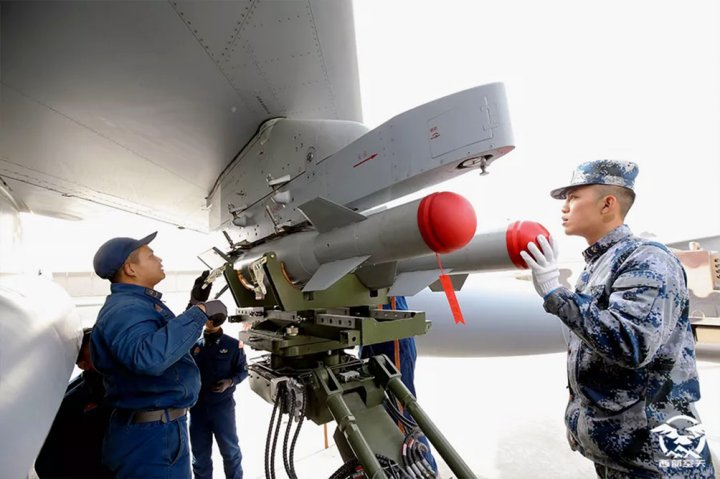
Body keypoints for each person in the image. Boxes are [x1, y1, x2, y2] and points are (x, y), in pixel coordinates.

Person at [520, 159, 715, 478]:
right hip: (622, 455)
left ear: (607, 204)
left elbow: (631, 344)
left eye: (573, 197)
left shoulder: (647, 258)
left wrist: (557, 294)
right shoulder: (601, 264)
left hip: (659, 456)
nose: (564, 207)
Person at [90, 232, 227, 479]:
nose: (159, 258)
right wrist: (200, 313)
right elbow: (149, 358)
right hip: (152, 438)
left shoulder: (136, 305)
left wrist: (196, 303)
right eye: (150, 255)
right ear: (131, 269)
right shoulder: (126, 309)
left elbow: (167, 347)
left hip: (156, 429)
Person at [359, 295, 437, 473]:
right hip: (370, 328)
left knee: (400, 417)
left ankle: (423, 472)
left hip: (390, 333)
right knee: (378, 410)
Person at [35, 328, 112, 478]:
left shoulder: (99, 385)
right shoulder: (82, 396)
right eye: (94, 350)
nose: (104, 350)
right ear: (83, 365)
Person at [189, 300, 248, 479]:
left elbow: (243, 371)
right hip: (197, 409)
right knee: (199, 456)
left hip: (222, 408)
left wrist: (230, 382)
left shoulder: (233, 345)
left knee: (230, 451)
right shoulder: (195, 346)